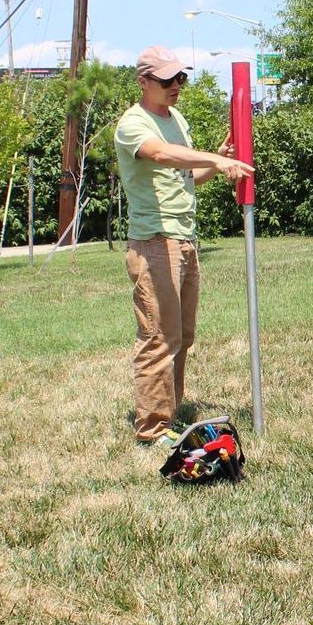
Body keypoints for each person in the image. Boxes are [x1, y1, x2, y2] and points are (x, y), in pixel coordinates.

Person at [113, 46, 253, 447]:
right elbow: (159, 154)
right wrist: (212, 157)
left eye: (181, 78)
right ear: (143, 82)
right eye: (166, 80)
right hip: (154, 241)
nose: (176, 86)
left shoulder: (176, 119)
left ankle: (171, 409)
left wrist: (216, 162)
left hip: (184, 238)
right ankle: (153, 427)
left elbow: (188, 178)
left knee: (182, 335)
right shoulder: (133, 124)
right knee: (159, 336)